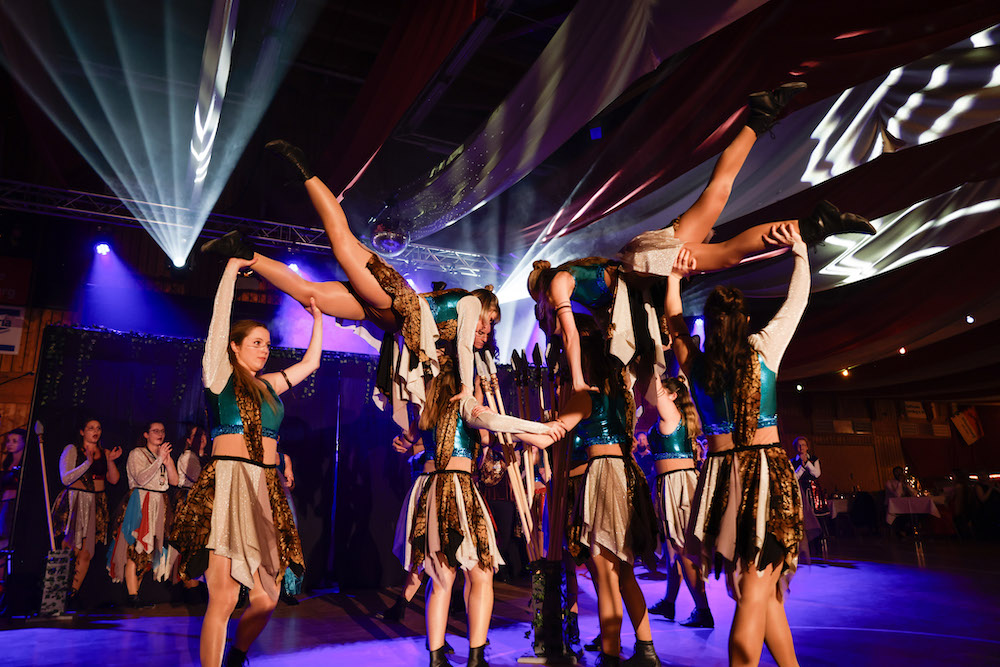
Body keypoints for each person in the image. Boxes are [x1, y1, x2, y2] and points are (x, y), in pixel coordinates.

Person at [528, 83, 874, 399]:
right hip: (645, 261)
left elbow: (570, 335)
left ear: (541, 290)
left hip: (646, 263)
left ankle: (814, 225)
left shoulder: (559, 283)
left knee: (727, 253)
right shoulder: (574, 280)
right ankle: (761, 117)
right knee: (718, 196)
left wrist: (577, 380)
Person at [201, 142, 500, 429]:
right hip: (394, 300)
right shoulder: (470, 304)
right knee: (342, 243)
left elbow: (446, 353)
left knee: (309, 294)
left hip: (384, 315)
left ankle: (246, 254)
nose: (485, 332)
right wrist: (467, 387)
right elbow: (463, 346)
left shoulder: (460, 328)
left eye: (489, 330)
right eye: (486, 324)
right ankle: (305, 172)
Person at [666, 225, 809, 667]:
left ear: (709, 324)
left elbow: (674, 326)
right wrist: (800, 251)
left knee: (764, 594)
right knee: (754, 588)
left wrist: (673, 277)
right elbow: (797, 301)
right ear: (744, 320)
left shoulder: (697, 364)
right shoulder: (763, 348)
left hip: (722, 480)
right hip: (764, 477)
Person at [171, 256, 323, 667]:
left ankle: (237, 655)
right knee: (222, 598)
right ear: (234, 347)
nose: (265, 350)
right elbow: (219, 322)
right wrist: (230, 272)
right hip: (228, 484)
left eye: (268, 344)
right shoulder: (219, 376)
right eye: (256, 342)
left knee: (267, 597)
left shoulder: (269, 386)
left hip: (264, 489)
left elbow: (311, 364)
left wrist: (317, 318)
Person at [409, 339, 562, 667]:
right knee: (481, 573)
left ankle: (437, 658)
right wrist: (540, 427)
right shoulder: (463, 402)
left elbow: (489, 433)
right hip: (458, 489)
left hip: (434, 490)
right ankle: (476, 658)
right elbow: (493, 422)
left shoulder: (428, 405)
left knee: (442, 578)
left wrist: (535, 437)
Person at [517, 331, 661, 667]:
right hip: (626, 475)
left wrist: (506, 427)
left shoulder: (586, 397)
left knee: (605, 573)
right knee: (625, 572)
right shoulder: (623, 396)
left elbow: (550, 435)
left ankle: (610, 655)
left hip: (604, 476)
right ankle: (646, 649)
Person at [645, 378, 713, 629]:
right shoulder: (673, 416)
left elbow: (653, 385)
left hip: (678, 485)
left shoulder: (672, 414)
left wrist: (654, 362)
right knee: (673, 549)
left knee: (683, 548)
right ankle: (669, 602)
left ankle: (703, 610)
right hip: (669, 483)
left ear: (673, 396)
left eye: (664, 391)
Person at [107, 421, 179, 606]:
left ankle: (136, 593)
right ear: (146, 434)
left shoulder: (162, 455)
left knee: (150, 551)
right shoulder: (137, 453)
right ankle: (132, 595)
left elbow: (174, 481)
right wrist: (159, 460)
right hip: (140, 502)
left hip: (159, 502)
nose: (160, 434)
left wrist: (168, 462)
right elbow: (141, 478)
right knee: (135, 548)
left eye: (162, 431)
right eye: (155, 431)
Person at [51, 418, 121, 606]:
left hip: (96, 503)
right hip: (77, 501)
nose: (95, 431)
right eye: (91, 428)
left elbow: (114, 480)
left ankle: (72, 594)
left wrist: (110, 461)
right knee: (70, 547)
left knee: (87, 552)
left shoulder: (104, 452)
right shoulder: (72, 449)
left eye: (98, 428)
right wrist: (87, 463)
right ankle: (58, 592)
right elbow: (65, 478)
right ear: (82, 431)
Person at [0, 428, 26, 582]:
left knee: (7, 540)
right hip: (4, 504)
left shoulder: (25, 465)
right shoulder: (7, 463)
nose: (10, 444)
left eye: (15, 441)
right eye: (8, 441)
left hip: (14, 506)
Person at [790, 436, 823, 553]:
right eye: (799, 445)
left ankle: (818, 546)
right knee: (803, 517)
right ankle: (806, 546)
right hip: (800, 491)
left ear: (807, 447)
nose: (801, 447)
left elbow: (817, 474)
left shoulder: (814, 459)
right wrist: (801, 466)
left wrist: (807, 463)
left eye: (803, 445)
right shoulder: (792, 462)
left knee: (816, 516)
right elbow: (794, 477)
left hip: (813, 492)